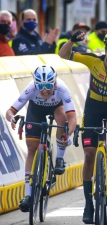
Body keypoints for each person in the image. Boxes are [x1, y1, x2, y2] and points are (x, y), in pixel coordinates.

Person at [58, 30, 107, 224]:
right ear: (105, 49)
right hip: (93, 108)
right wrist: (71, 41)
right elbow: (62, 55)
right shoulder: (94, 61)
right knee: (89, 154)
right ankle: (88, 204)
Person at [5, 65, 76, 212]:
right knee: (32, 148)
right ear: (35, 84)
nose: (44, 90)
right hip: (36, 110)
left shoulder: (62, 89)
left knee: (62, 119)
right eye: (40, 86)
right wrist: (12, 118)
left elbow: (72, 116)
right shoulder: (30, 89)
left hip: (56, 107)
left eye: (48, 86)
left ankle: (59, 159)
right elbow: (10, 111)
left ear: (55, 83)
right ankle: (28, 195)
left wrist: (68, 134)